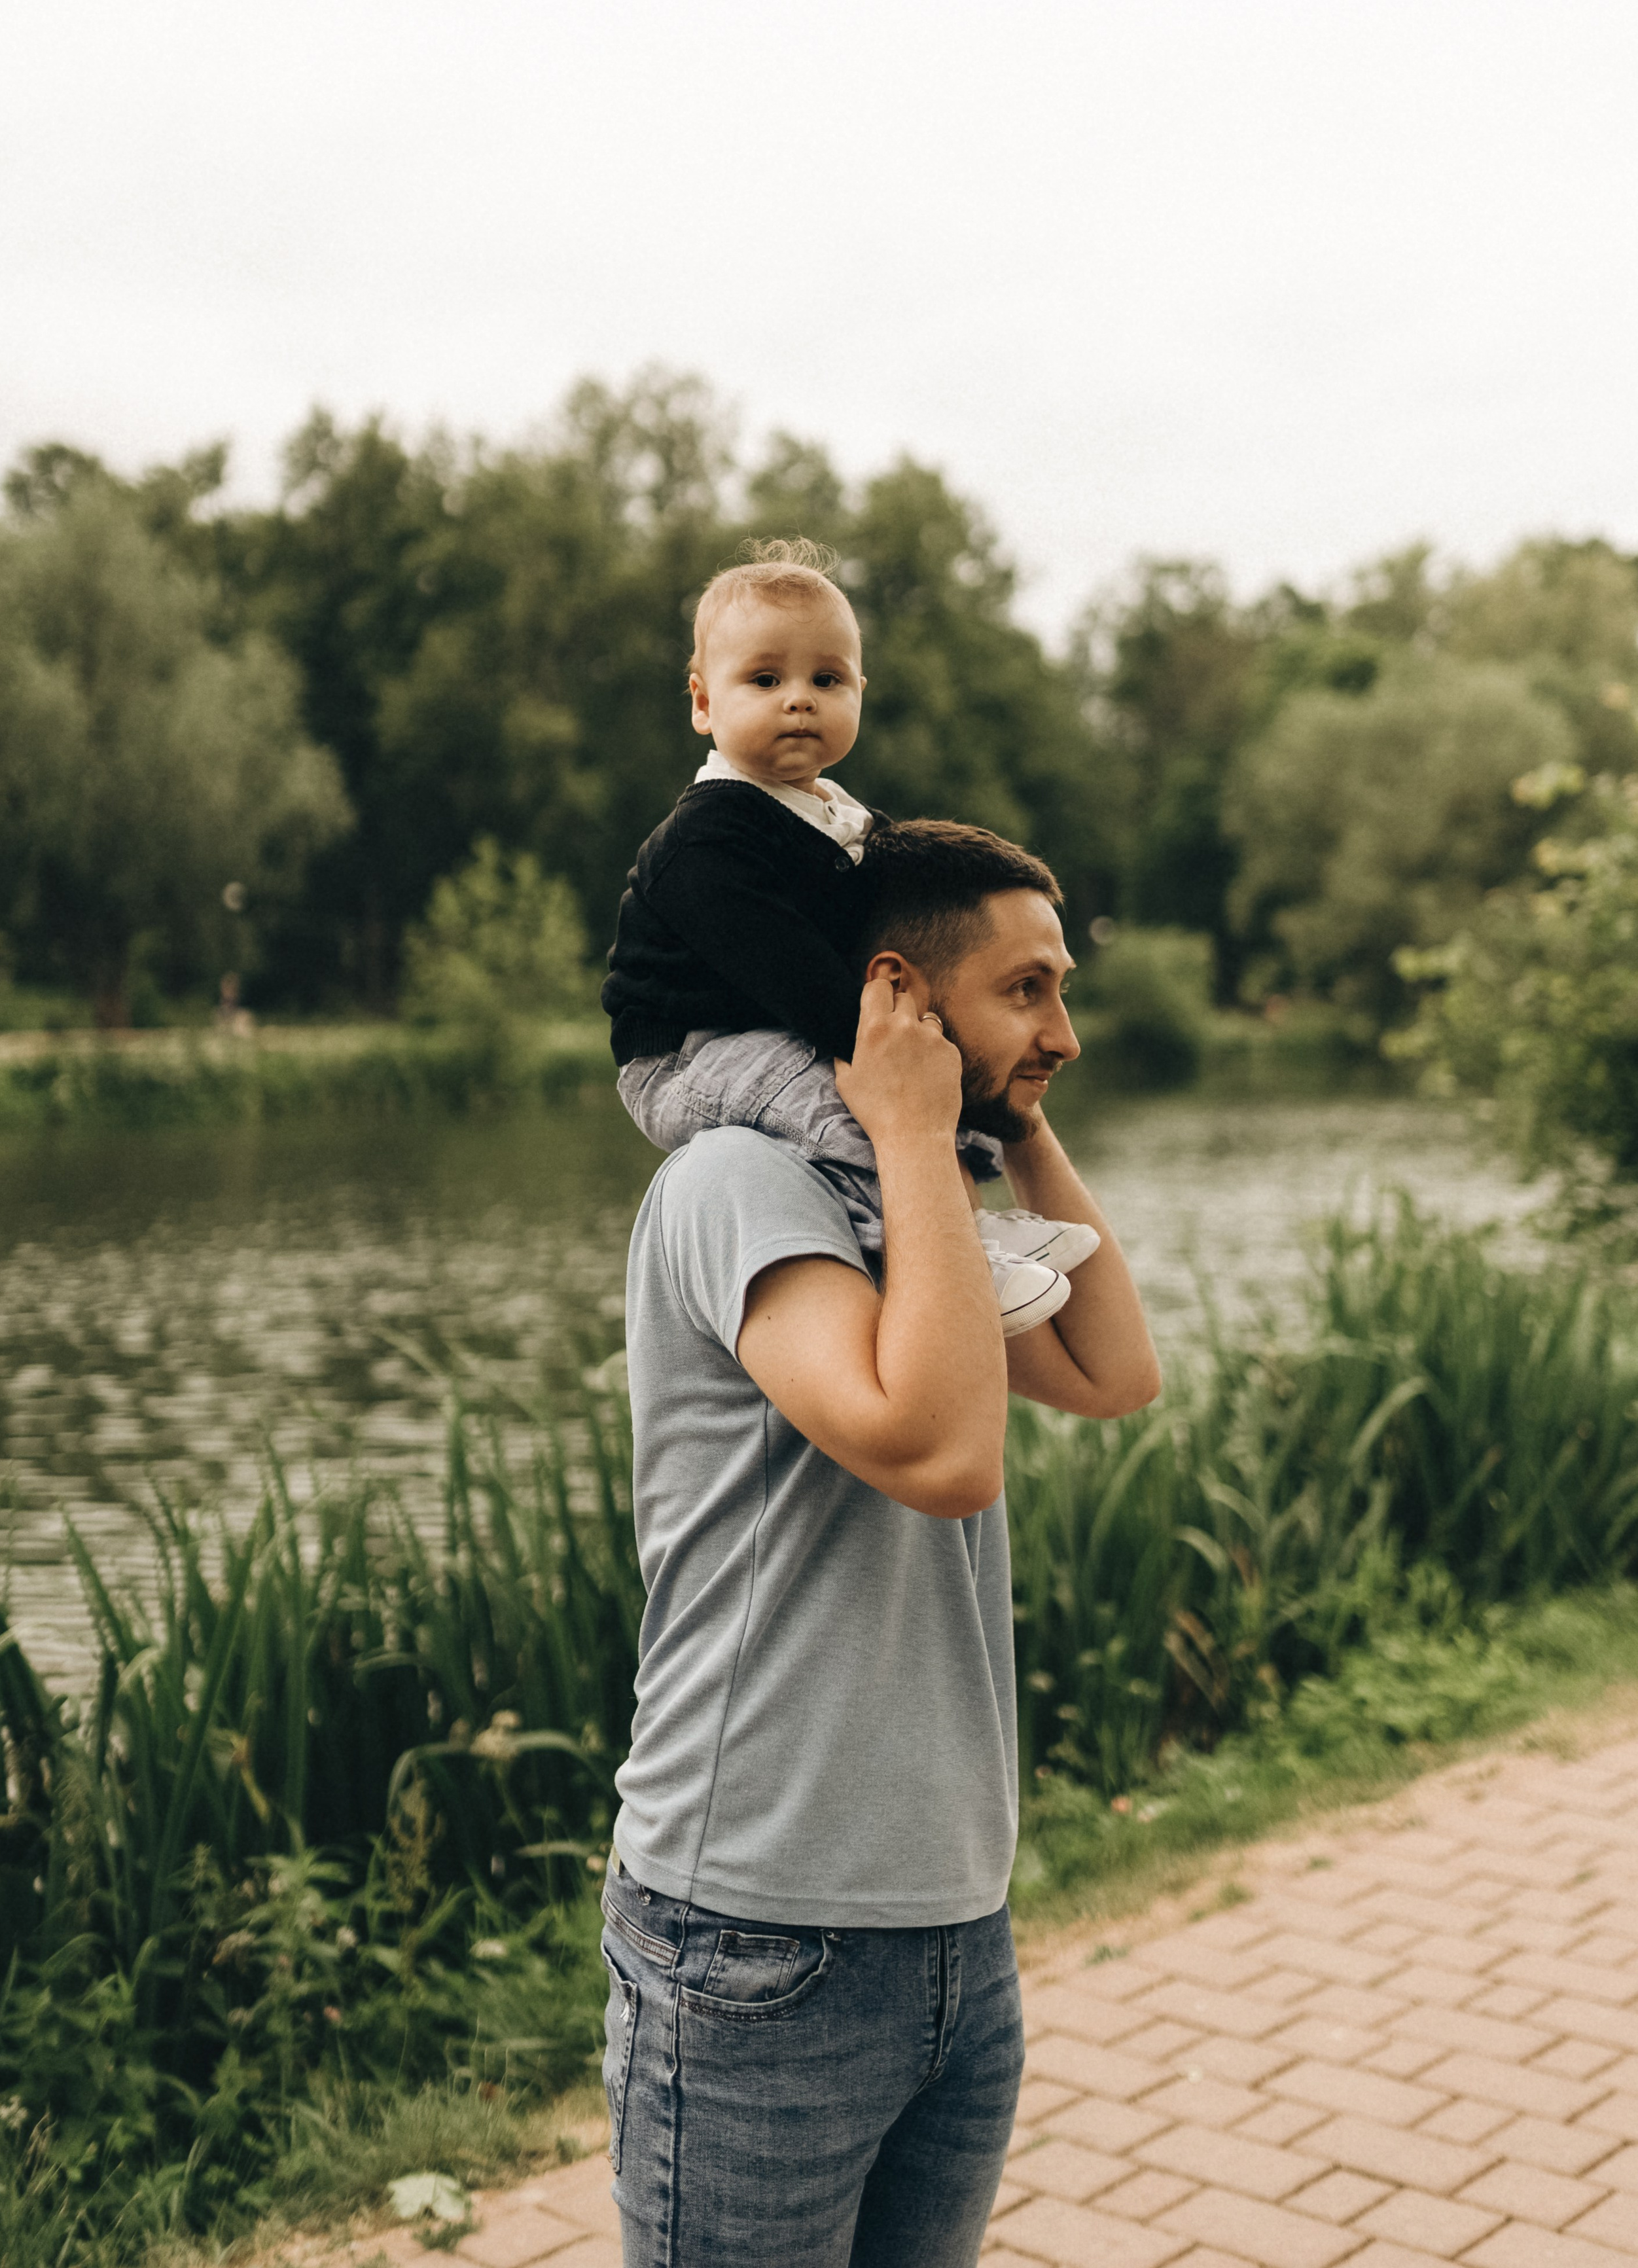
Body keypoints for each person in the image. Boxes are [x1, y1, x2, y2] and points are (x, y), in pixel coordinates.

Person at [601, 818, 1161, 2266]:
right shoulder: (738, 1186)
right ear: (901, 995)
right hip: (755, 1931)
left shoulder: (906, 1201)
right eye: (1028, 990)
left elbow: (1111, 1375)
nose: (1066, 1030)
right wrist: (917, 1131)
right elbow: (939, 1452)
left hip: (952, 1928)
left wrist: (1009, 1122)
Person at [601, 538, 1099, 1337]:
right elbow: (787, 968)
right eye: (764, 680)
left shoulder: (837, 817)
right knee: (845, 1110)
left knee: (940, 1082)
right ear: (702, 702)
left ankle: (966, 1218)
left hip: (770, 1027)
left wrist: (944, 1029)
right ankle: (925, 1248)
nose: (798, 699)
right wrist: (884, 1048)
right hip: (689, 1051)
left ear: (860, 692)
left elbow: (899, 906)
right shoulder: (708, 840)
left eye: (825, 680)